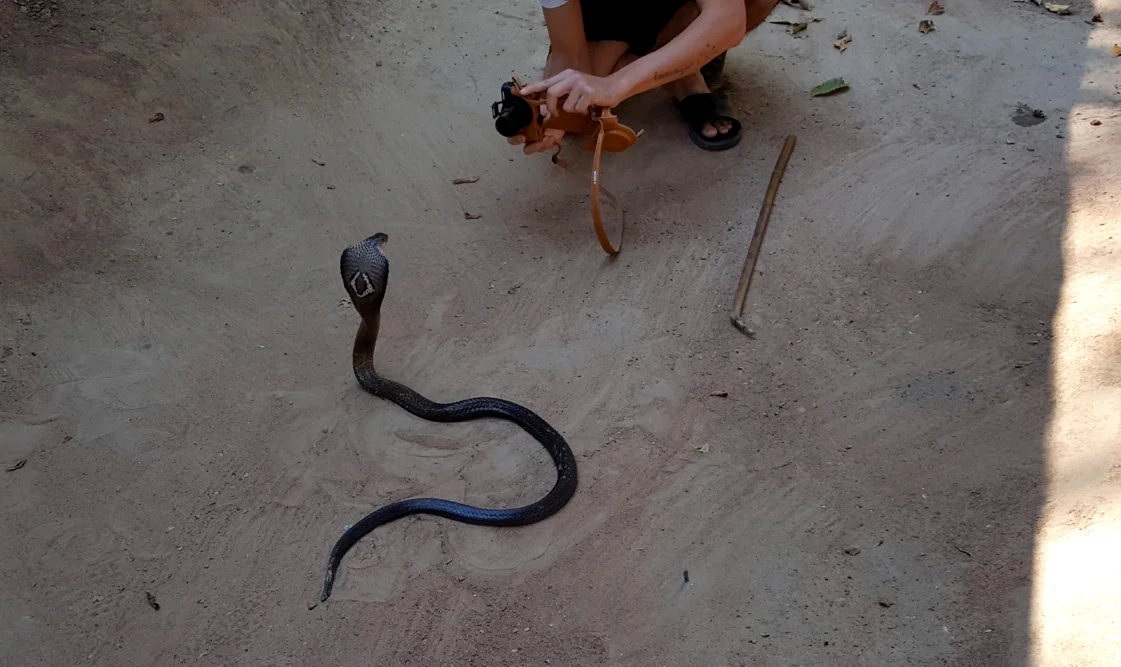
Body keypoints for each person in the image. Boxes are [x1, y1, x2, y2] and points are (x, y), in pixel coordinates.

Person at [510, 0, 781, 154]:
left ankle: (682, 68)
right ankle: (674, 60)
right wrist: (554, 115)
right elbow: (568, 53)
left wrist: (617, 84)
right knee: (574, 110)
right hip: (606, 10)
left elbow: (728, 20)